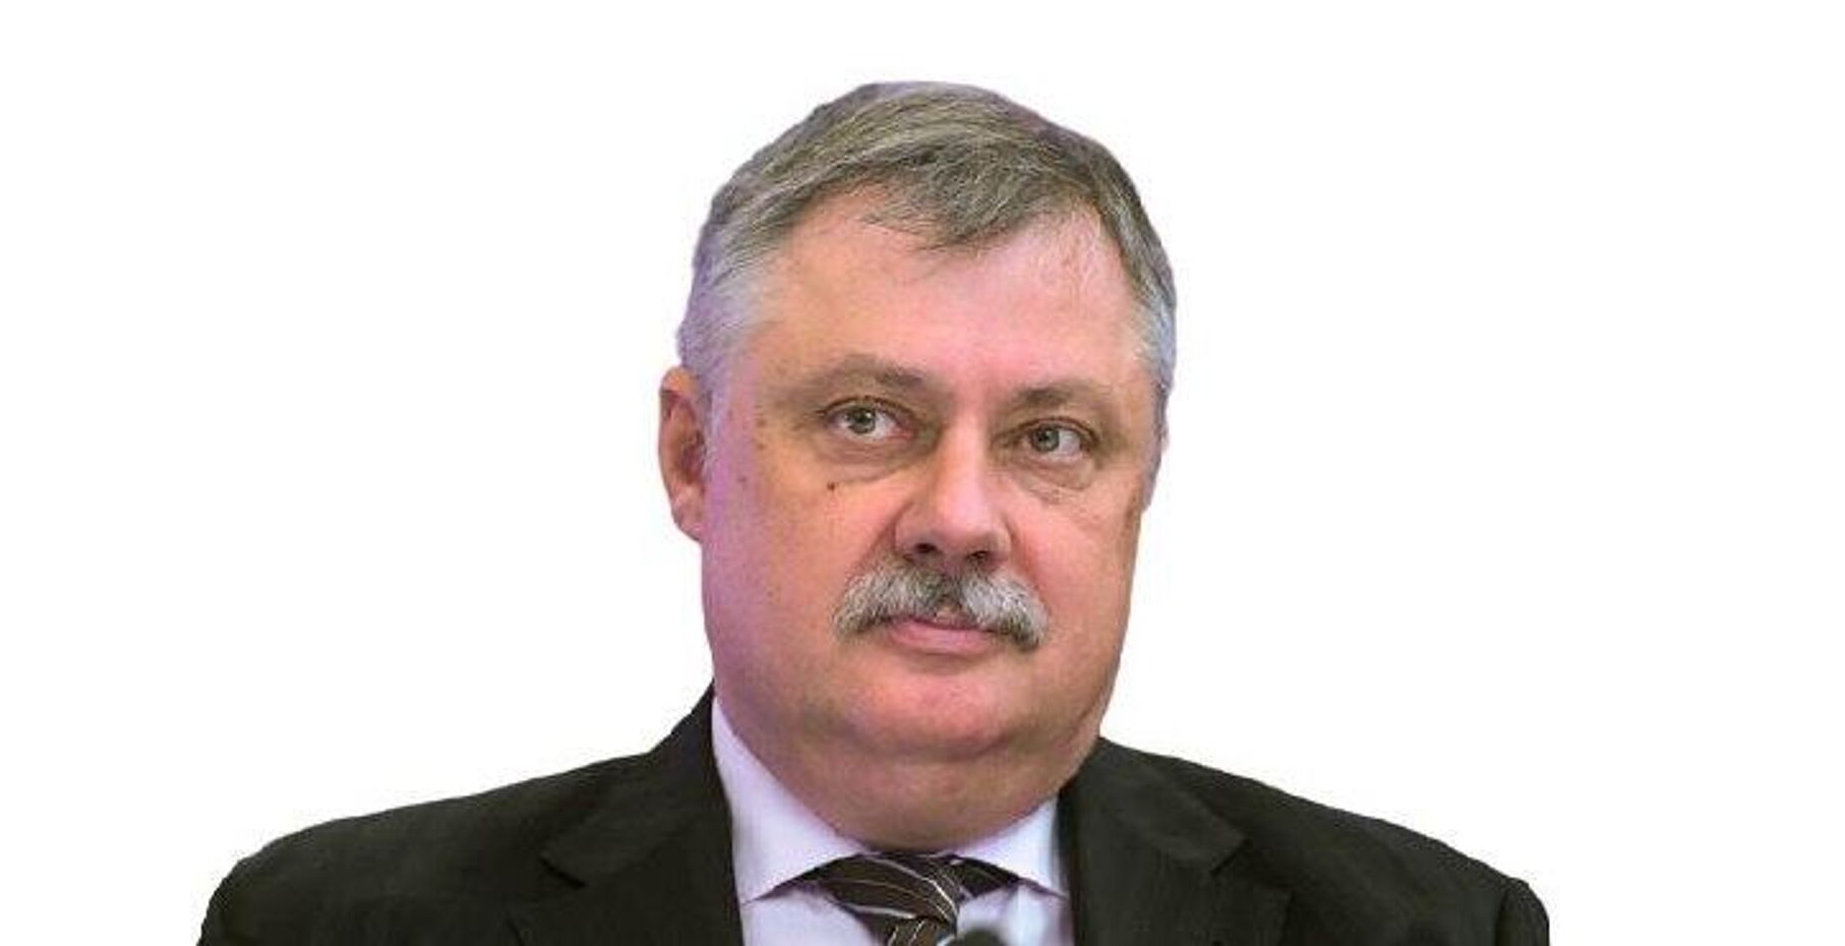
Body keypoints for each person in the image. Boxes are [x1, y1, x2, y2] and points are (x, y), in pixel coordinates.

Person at [199, 82, 1548, 945]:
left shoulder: (1427, 931)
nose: (959, 518)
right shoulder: (333, 927)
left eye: (1050, 438)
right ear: (691, 457)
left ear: (1142, 482)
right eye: (867, 420)